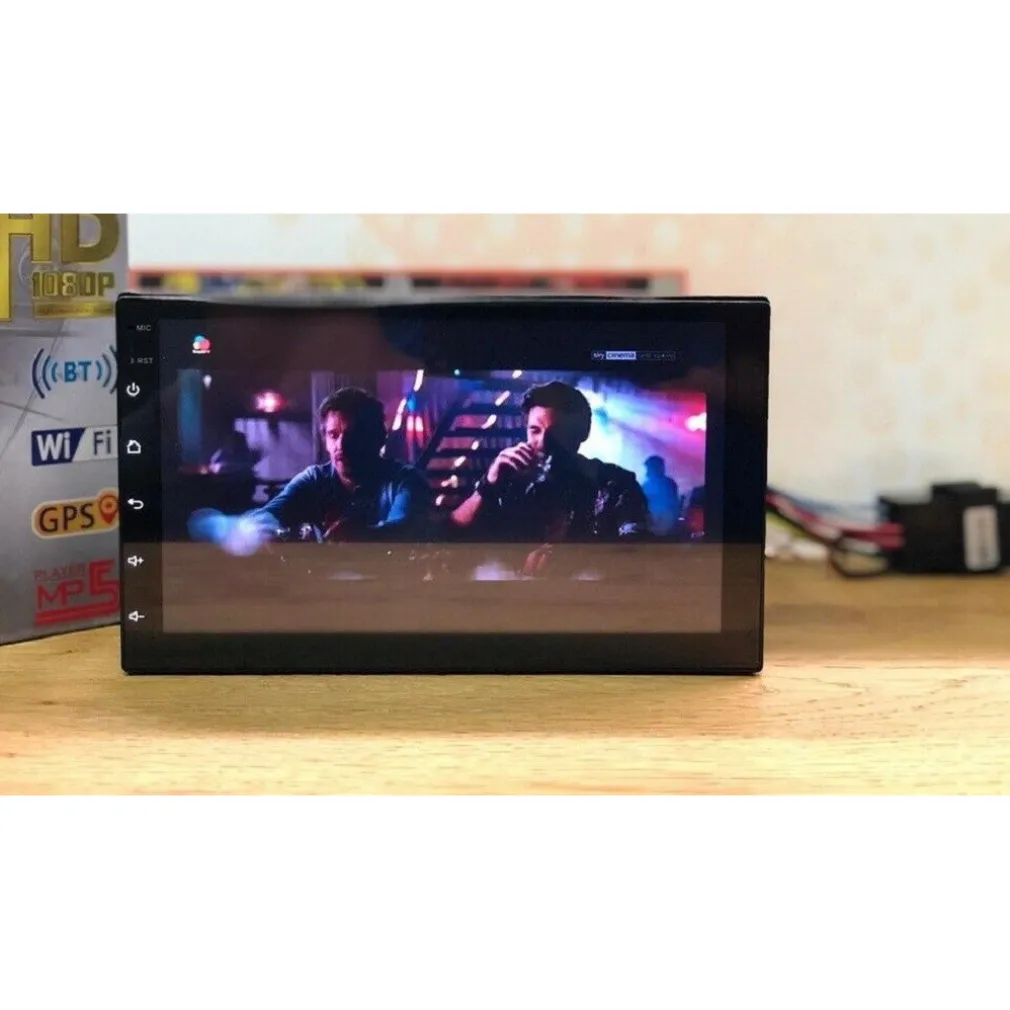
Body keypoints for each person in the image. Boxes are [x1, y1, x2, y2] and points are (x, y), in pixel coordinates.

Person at [192, 388, 431, 553]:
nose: (341, 446)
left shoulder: (405, 480)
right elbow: (269, 513)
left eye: (354, 435)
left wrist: (361, 536)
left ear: (379, 437)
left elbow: (404, 531)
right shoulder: (314, 479)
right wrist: (258, 530)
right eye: (333, 435)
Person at [450, 380, 651, 575]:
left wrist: (578, 559)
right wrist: (487, 485)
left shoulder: (615, 483)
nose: (544, 443)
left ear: (583, 432)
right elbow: (451, 534)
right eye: (535, 430)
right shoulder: (509, 480)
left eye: (557, 432)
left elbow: (639, 549)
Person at [642, 455, 680, 536]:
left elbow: (672, 505)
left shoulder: (668, 483)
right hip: (652, 521)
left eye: (649, 468)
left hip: (664, 521)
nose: (647, 471)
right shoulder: (646, 485)